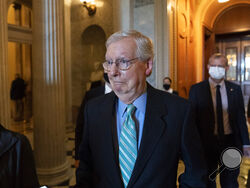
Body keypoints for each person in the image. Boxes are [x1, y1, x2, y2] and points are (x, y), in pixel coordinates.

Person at [75, 30, 207, 188]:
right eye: (109, 63)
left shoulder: (178, 111)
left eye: (123, 62)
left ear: (148, 65)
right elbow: (85, 171)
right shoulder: (93, 110)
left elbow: (196, 175)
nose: (113, 72)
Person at [189, 53, 250, 188]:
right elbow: (192, 120)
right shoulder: (196, 90)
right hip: (206, 143)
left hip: (230, 142)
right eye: (214, 65)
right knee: (208, 180)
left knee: (230, 181)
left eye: (221, 66)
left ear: (227, 68)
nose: (217, 69)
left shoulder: (235, 89)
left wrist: (246, 143)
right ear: (208, 66)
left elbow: (241, 117)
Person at [75, 73, 112, 168]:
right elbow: (80, 126)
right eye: (109, 63)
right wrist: (78, 156)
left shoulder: (129, 96)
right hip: (95, 156)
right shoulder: (91, 95)